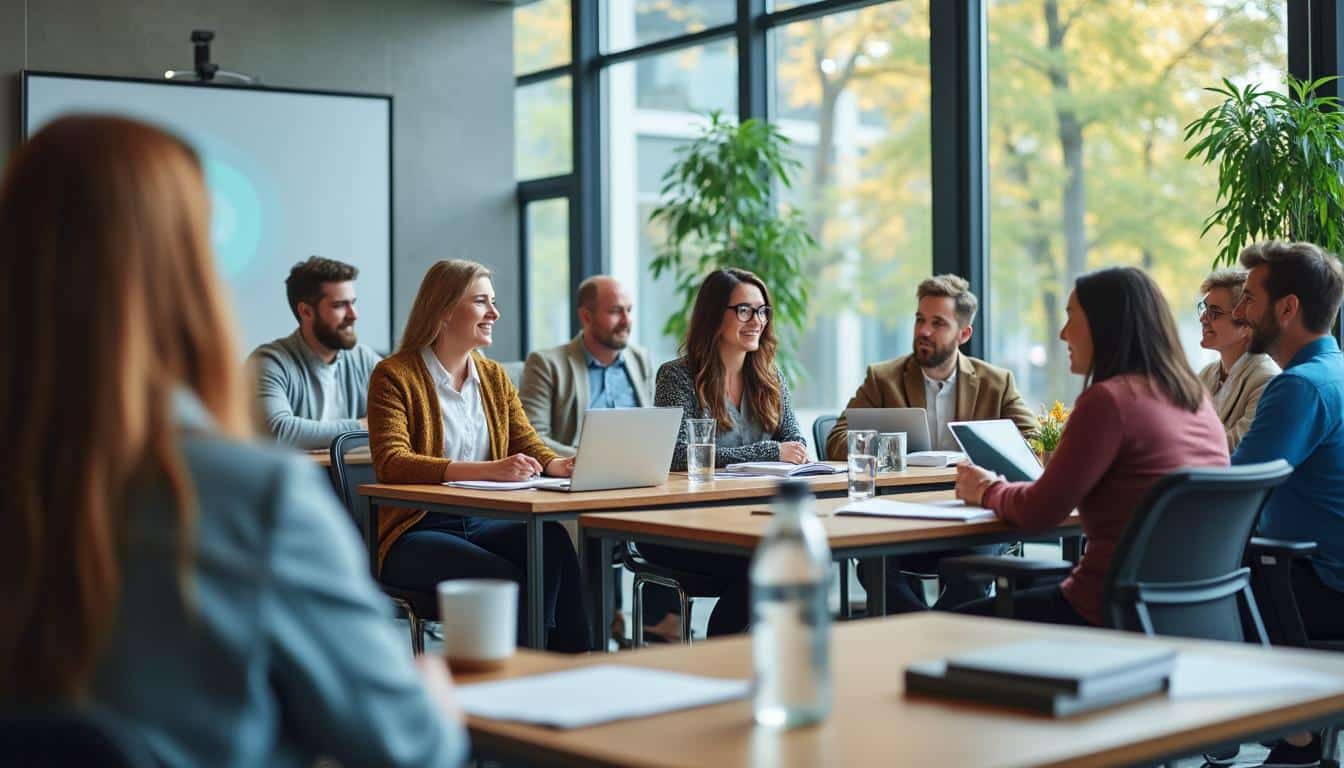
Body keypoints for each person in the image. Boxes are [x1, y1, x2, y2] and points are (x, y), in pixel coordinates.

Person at [0, 116, 465, 766]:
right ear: (187, 274)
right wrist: (435, 691)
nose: (352, 315)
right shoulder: (253, 499)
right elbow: (408, 747)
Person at [953, 267, 1228, 626]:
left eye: (1071, 317)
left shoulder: (1109, 402)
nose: (1063, 333)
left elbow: (1040, 512)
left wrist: (986, 488)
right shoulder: (1195, 400)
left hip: (1104, 610)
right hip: (1184, 610)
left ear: (1104, 325)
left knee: (939, 628)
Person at [366, 259, 590, 652]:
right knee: (506, 578)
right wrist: (490, 470)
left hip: (484, 519)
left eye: (494, 301)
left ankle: (572, 664)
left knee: (552, 543)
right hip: (416, 531)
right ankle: (520, 676)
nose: (495, 313)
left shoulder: (493, 376)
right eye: (482, 302)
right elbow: (392, 461)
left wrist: (557, 463)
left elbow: (525, 439)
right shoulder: (394, 375)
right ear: (445, 309)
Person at [825, 274, 1036, 613]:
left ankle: (933, 631)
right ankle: (922, 630)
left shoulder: (997, 383)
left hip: (976, 516)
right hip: (903, 517)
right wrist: (894, 454)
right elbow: (837, 439)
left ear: (963, 334)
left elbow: (1033, 444)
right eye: (920, 320)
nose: (923, 331)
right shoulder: (883, 379)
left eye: (938, 323)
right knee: (873, 562)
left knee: (973, 570)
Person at [1227, 240, 1344, 767]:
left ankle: (1295, 734)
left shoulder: (1299, 387)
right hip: (1321, 577)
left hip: (1316, 586)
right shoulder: (1335, 374)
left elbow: (1230, 496)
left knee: (1149, 591)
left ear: (1288, 307)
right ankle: (1294, 734)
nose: (1238, 312)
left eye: (1249, 298)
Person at [643, 268, 806, 637]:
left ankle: (734, 655)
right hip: (684, 526)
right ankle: (721, 653)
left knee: (786, 556)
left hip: (750, 519)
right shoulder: (678, 376)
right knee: (768, 561)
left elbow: (794, 443)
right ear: (715, 315)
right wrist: (769, 451)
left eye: (762, 311)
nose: (757, 321)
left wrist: (782, 452)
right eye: (744, 311)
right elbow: (679, 456)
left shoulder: (770, 376)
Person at [250, 256, 382, 449]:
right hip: (295, 479)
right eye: (339, 305)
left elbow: (406, 414)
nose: (353, 315)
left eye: (353, 303)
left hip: (355, 479)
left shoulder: (363, 359)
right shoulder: (268, 363)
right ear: (306, 312)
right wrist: (362, 427)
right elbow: (278, 431)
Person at [520, 275, 655, 456]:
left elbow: (654, 427)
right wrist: (589, 460)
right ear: (586, 317)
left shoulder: (640, 359)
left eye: (629, 310)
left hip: (639, 470)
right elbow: (532, 439)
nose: (626, 320)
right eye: (615, 311)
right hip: (574, 473)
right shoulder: (546, 364)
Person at [1194, 268, 1279, 450]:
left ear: (1246, 326)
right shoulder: (1207, 373)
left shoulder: (1267, 381)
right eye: (1204, 309)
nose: (1202, 318)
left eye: (1214, 312)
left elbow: (1235, 447)